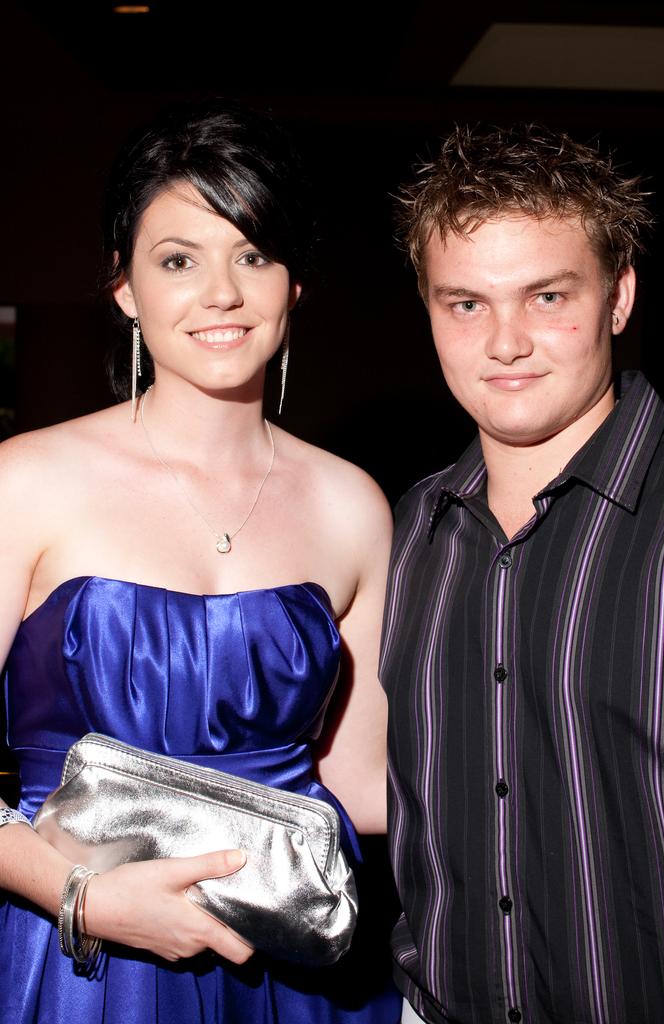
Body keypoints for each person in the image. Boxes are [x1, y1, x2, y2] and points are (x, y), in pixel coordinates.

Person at [0, 102, 400, 1023]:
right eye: (179, 260)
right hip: (84, 965)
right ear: (126, 289)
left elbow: (364, 788)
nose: (221, 293)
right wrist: (86, 900)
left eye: (253, 255)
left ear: (294, 286)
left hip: (294, 970)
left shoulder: (352, 504)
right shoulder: (28, 481)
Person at [380, 123, 664, 1024]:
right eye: (465, 304)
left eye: (547, 296)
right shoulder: (406, 529)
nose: (505, 342)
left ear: (618, 296)